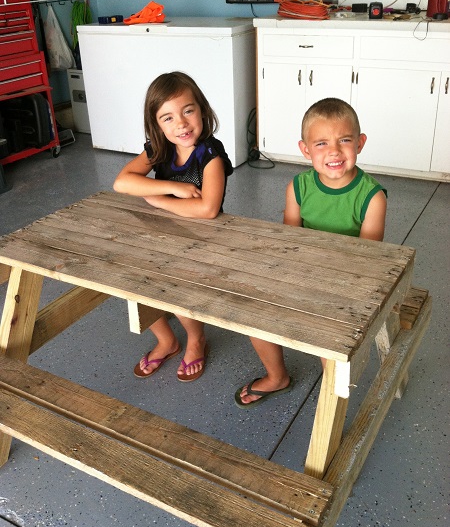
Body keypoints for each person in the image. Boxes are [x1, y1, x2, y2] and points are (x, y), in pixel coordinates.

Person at [235, 97, 387, 408]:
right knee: (254, 315)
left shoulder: (372, 197)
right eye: (321, 143)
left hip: (346, 282)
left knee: (328, 338)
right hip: (303, 272)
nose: (334, 151)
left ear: (360, 143)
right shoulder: (298, 188)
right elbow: (291, 242)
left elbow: (366, 260)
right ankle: (277, 376)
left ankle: (332, 395)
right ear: (305, 150)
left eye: (344, 140)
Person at [114, 71, 233, 382]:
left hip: (204, 238)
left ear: (203, 111)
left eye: (188, 111)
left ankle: (196, 339)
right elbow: (122, 183)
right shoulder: (158, 148)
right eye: (167, 118)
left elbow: (207, 209)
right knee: (133, 278)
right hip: (163, 234)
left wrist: (158, 198)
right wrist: (174, 188)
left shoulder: (211, 154)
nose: (180, 124)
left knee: (177, 286)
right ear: (157, 125)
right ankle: (167, 340)